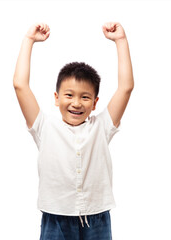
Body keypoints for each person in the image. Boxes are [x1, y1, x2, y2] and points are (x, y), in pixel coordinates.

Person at [13, 22, 134, 240]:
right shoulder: (44, 126)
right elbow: (20, 85)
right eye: (69, 95)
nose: (76, 103)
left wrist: (121, 41)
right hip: (56, 217)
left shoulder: (102, 126)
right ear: (56, 98)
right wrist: (29, 40)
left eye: (85, 97)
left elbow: (126, 87)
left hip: (96, 216)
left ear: (95, 102)